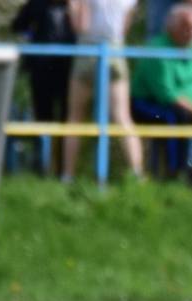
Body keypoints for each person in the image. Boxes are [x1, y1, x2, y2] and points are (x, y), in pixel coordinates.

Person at [61, 0, 143, 183]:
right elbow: (123, 30)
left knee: (75, 117)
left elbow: (81, 26)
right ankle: (137, 174)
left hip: (87, 50)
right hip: (115, 50)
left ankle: (68, 175)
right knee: (122, 117)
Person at [131, 2, 192, 180]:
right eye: (187, 28)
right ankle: (174, 171)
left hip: (188, 106)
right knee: (175, 118)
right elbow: (167, 95)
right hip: (147, 103)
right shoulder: (158, 49)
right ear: (173, 27)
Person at [11, 0, 76, 175]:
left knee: (65, 120)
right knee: (43, 118)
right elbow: (17, 25)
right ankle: (42, 166)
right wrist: (33, 34)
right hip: (42, 70)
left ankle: (62, 170)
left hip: (66, 71)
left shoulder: (74, 6)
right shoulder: (37, 4)